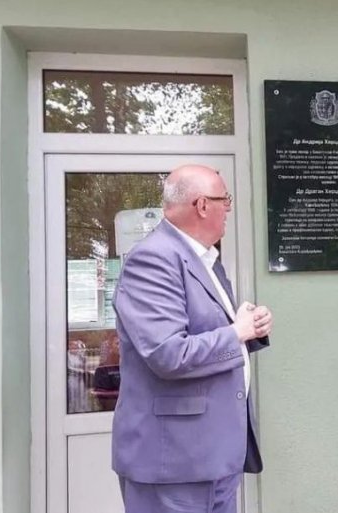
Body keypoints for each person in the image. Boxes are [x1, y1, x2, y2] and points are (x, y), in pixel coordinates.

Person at [111, 164, 273, 513]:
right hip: (174, 466)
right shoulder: (153, 259)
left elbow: (209, 332)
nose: (228, 208)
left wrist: (249, 329)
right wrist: (237, 332)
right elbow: (168, 353)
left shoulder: (204, 259)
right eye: (225, 199)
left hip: (213, 457)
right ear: (202, 205)